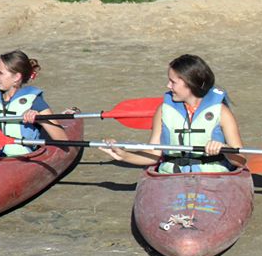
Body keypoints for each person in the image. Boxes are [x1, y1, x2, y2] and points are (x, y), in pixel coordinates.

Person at [101, 54, 243, 173]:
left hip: (213, 179)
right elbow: (153, 154)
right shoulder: (163, 110)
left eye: (172, 82)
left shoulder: (222, 112)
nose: (168, 86)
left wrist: (225, 149)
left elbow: (241, 161)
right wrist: (124, 155)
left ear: (190, 83)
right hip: (171, 178)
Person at [0, 50, 67, 156]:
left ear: (16, 77)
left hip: (20, 158)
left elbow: (63, 140)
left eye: (0, 73)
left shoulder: (34, 102)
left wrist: (41, 120)